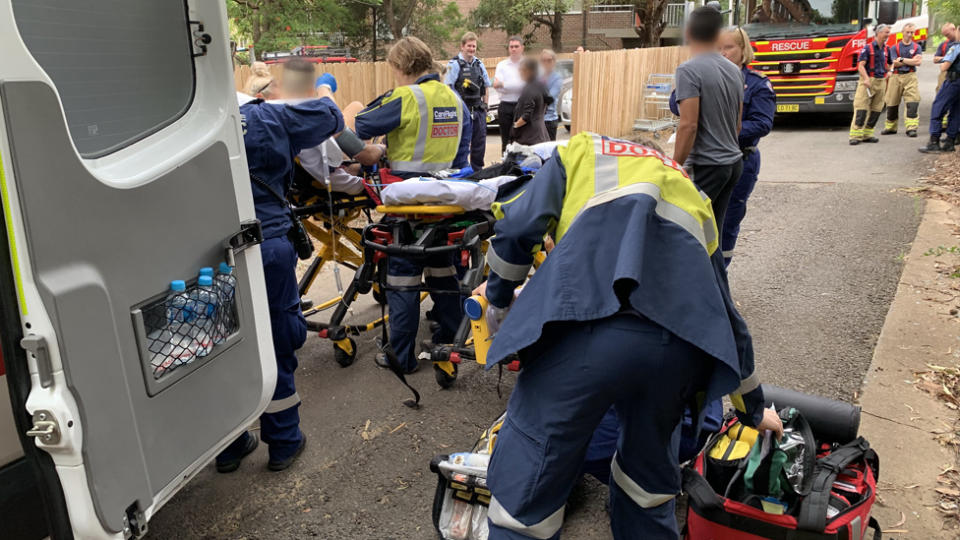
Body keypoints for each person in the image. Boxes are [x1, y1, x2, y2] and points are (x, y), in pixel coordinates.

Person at [476, 132, 783, 539]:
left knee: (525, 503)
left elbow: (516, 228)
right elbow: (724, 314)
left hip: (584, 332)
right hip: (675, 353)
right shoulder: (691, 193)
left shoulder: (583, 150)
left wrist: (497, 300)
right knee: (646, 490)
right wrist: (753, 410)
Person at [216, 78, 346, 473]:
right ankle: (285, 441)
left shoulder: (181, 127)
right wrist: (323, 91)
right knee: (276, 340)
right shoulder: (264, 114)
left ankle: (228, 445)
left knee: (218, 349)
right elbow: (330, 116)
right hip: (264, 245)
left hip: (205, 258)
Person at [354, 36, 472, 374]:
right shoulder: (456, 100)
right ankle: (449, 340)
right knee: (444, 272)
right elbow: (466, 154)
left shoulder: (405, 98)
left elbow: (357, 125)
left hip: (408, 205)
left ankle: (401, 357)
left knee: (403, 280)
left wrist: (374, 153)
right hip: (448, 204)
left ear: (400, 67)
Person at [672, 6, 744, 228]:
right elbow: (737, 125)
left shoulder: (689, 70)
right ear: (717, 35)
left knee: (690, 236)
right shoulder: (734, 71)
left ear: (689, 33)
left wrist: (674, 166)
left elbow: (689, 125)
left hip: (707, 166)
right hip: (733, 163)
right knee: (714, 236)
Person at [718, 26, 775, 265]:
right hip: (705, 159)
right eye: (717, 48)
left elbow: (762, 123)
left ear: (743, 50)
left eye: (728, 47)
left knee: (728, 221)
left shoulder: (757, 84)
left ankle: (721, 277)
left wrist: (725, 132)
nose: (722, 53)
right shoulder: (704, 76)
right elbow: (675, 103)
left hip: (741, 160)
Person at [446, 32, 492, 171]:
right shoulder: (454, 65)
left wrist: (485, 106)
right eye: (469, 46)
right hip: (461, 111)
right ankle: (460, 171)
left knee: (479, 143)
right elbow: (448, 88)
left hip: (478, 110)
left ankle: (477, 171)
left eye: (474, 46)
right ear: (462, 46)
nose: (471, 49)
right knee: (461, 143)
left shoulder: (479, 64)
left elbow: (485, 87)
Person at [848, 24, 892, 145]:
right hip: (868, 81)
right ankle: (855, 135)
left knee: (876, 109)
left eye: (888, 33)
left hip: (881, 81)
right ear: (878, 33)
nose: (888, 35)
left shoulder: (887, 49)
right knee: (861, 108)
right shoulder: (867, 48)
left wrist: (890, 72)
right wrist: (866, 78)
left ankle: (867, 134)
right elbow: (860, 65)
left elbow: (890, 64)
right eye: (886, 33)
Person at [882, 23, 922, 137]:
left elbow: (918, 62)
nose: (909, 35)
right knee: (891, 102)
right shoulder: (895, 48)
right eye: (907, 32)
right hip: (896, 76)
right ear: (902, 33)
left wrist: (903, 59)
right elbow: (895, 63)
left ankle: (911, 128)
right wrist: (910, 60)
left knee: (913, 102)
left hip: (910, 76)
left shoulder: (916, 47)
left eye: (912, 32)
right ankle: (891, 127)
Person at [920, 39, 960, 153]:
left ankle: (934, 142)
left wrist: (943, 61)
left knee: (938, 108)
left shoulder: (956, 47)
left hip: (953, 81)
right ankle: (950, 142)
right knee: (956, 111)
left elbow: (944, 67)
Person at [494, 37, 526, 153]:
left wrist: (504, 84)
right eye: (511, 47)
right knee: (506, 141)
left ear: (522, 48)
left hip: (522, 106)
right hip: (505, 106)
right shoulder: (502, 65)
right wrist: (517, 85)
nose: (513, 49)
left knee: (522, 140)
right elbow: (496, 85)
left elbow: (526, 86)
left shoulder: (527, 65)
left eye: (516, 46)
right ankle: (505, 167)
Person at [510, 58, 551, 145]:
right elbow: (546, 106)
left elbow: (527, 116)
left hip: (529, 138)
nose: (520, 72)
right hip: (541, 135)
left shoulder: (529, 89)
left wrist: (514, 127)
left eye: (522, 70)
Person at [540, 49, 564, 141]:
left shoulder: (557, 79)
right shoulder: (538, 77)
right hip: (536, 121)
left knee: (549, 151)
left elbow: (549, 99)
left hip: (549, 121)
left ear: (554, 62)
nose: (546, 63)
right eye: (543, 60)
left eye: (549, 60)